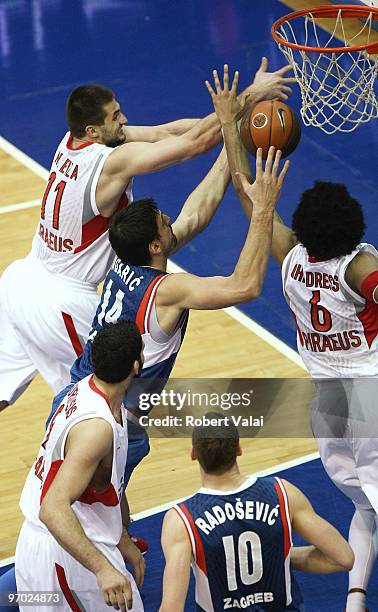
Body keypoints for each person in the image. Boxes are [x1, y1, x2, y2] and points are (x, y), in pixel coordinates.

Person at [0, 58, 295, 411]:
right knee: (95, 407)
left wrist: (238, 123)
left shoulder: (74, 141)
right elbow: (195, 143)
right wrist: (248, 99)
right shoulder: (110, 163)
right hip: (58, 301)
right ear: (94, 130)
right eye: (115, 116)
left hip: (21, 279)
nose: (123, 120)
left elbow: (167, 133)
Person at [48, 66, 291, 496]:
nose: (171, 225)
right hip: (114, 415)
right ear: (158, 247)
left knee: (85, 496)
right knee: (81, 506)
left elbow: (197, 212)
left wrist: (235, 140)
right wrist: (265, 206)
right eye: (165, 224)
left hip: (76, 390)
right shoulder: (169, 291)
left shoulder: (124, 260)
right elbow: (246, 285)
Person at [210, 69, 378, 612]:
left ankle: (353, 601)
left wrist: (232, 124)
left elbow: (250, 197)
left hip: (327, 408)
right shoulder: (360, 268)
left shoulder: (291, 257)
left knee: (367, 510)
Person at [159, 413, 354, 611]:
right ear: (238, 449)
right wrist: (277, 557)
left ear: (194, 454)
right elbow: (343, 558)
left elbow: (171, 608)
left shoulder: (181, 519)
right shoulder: (282, 492)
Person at [15, 320, 145, 612]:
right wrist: (103, 569)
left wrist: (122, 539)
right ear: (136, 365)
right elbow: (52, 508)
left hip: (58, 540)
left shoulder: (90, 390)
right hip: (63, 548)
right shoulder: (95, 427)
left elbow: (106, 486)